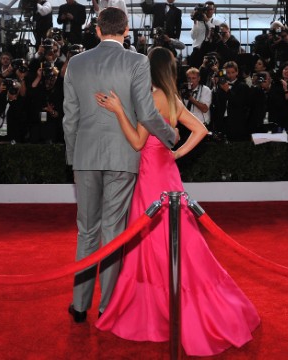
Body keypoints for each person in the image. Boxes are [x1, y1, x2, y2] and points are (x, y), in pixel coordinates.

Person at [94, 46, 260, 357]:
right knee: (176, 243)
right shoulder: (171, 98)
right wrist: (176, 154)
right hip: (167, 174)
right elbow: (201, 129)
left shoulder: (152, 97)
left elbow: (137, 140)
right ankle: (173, 307)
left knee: (152, 242)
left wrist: (117, 109)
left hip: (150, 179)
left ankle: (155, 313)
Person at [62, 7, 177, 323]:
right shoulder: (137, 61)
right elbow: (148, 114)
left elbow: (69, 117)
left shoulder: (76, 63)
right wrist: (171, 135)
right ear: (127, 31)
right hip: (123, 155)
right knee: (113, 232)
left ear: (96, 30)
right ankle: (107, 307)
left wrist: (74, 157)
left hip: (85, 156)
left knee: (87, 232)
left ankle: (80, 307)